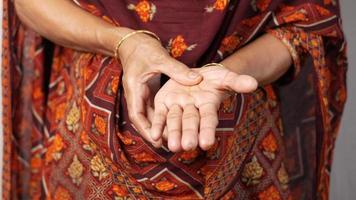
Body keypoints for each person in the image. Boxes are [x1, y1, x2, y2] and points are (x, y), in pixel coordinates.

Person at [1, 0, 347, 199]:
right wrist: (123, 42)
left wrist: (226, 73)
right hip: (89, 144)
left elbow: (306, 15)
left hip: (238, 137)